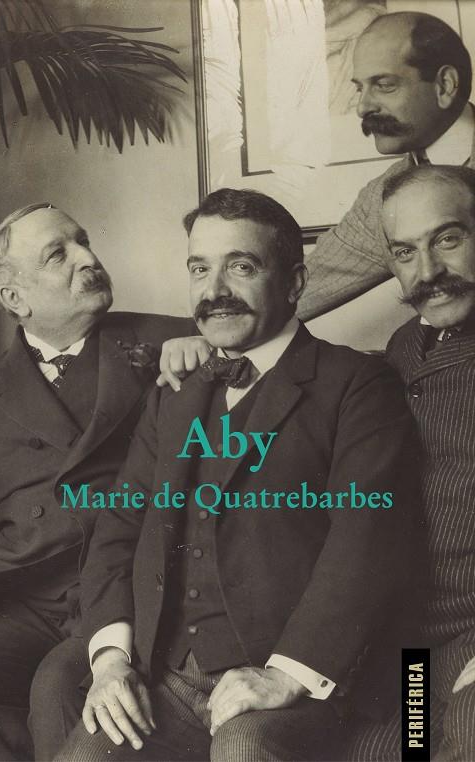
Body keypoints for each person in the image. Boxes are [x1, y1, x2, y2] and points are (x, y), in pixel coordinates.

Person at [55, 188, 419, 762]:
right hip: (168, 674)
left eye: (241, 267)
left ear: (294, 283)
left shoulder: (356, 385)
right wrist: (111, 660)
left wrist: (288, 673)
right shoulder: (173, 393)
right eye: (199, 269)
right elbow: (120, 527)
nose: (215, 290)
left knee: (244, 746)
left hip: (290, 676)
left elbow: (365, 542)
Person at [0, 203, 208, 762]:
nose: (88, 257)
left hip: (127, 585)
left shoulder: (178, 341)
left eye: (83, 241)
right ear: (15, 299)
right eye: (58, 254)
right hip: (27, 594)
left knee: (58, 690)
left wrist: (211, 355)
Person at [348, 164, 475, 761]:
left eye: (447, 239)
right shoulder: (405, 345)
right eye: (405, 252)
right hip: (415, 638)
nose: (427, 272)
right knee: (383, 752)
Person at [297, 10, 474, 321]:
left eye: (384, 85)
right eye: (360, 88)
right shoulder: (382, 197)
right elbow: (294, 295)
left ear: (445, 85)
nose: (363, 107)